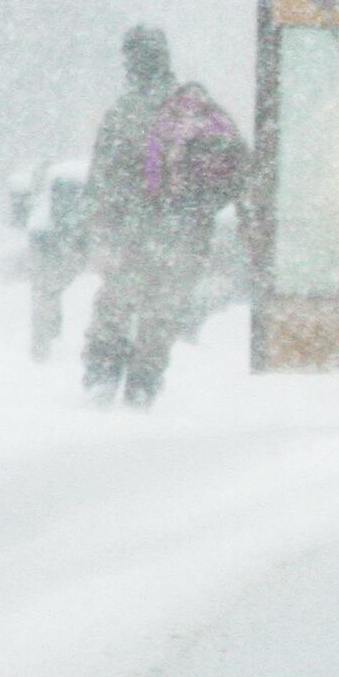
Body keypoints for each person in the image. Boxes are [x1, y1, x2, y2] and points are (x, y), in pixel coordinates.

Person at [82, 26, 248, 407]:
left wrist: (102, 227)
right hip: (186, 234)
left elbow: (102, 180)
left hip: (132, 232)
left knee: (116, 304)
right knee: (161, 314)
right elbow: (237, 171)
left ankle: (102, 378)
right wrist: (199, 210)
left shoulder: (124, 113)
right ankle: (143, 385)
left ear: (131, 62)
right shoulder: (197, 107)